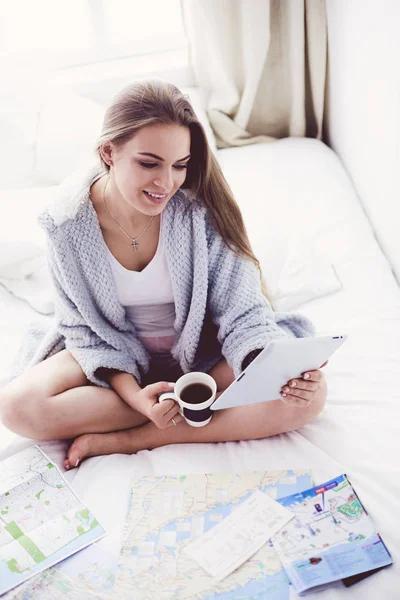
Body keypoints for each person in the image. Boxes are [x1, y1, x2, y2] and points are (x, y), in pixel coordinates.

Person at [0, 79, 327, 470]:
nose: (166, 182)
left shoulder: (200, 212)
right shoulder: (66, 224)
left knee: (309, 399)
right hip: (115, 358)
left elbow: (243, 313)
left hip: (203, 354)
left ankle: (134, 437)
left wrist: (272, 367)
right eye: (149, 163)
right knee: (17, 407)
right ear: (109, 152)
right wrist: (136, 397)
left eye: (179, 166)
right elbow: (85, 332)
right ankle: (190, 409)